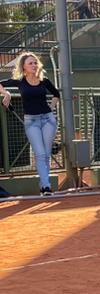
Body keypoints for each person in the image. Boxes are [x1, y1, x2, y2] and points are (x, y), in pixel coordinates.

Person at [0, 52, 60, 196]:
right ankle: (46, 186)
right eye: (30, 63)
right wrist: (6, 94)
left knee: (46, 154)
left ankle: (44, 185)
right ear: (24, 67)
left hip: (48, 120)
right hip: (31, 121)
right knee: (40, 154)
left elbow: (56, 94)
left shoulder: (44, 80)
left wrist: (51, 108)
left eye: (35, 63)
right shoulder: (19, 81)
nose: (34, 65)